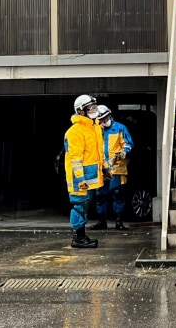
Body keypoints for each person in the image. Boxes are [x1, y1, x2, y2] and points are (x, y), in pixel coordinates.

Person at [64, 94, 108, 248]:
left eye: (95, 107)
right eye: (91, 108)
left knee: (85, 205)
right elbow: (76, 158)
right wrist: (80, 178)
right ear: (81, 111)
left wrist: (105, 169)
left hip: (90, 176)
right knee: (78, 205)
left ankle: (82, 236)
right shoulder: (75, 131)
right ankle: (78, 238)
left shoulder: (94, 127)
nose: (95, 110)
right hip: (79, 178)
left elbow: (98, 153)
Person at [91, 105, 134, 231]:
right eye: (101, 119)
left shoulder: (120, 128)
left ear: (109, 115)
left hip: (117, 168)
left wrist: (124, 152)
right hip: (101, 169)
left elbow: (128, 143)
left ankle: (119, 222)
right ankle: (101, 222)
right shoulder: (95, 131)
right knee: (99, 195)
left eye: (105, 118)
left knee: (118, 194)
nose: (104, 121)